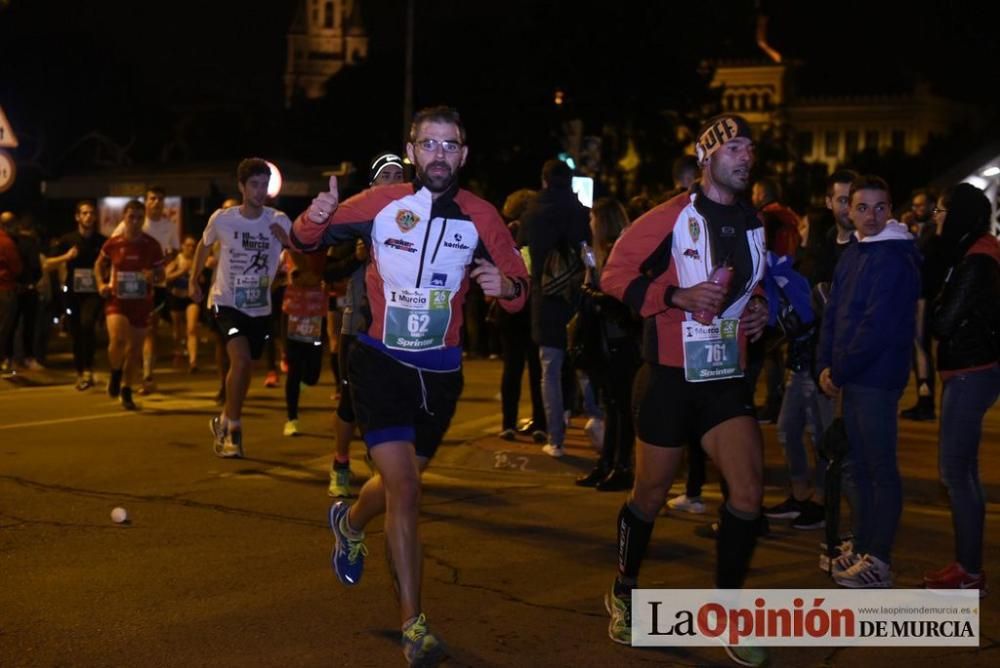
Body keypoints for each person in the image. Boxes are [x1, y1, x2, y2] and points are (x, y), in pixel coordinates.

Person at [291, 106, 528, 666]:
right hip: (379, 362)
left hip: (440, 372)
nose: (439, 154)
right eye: (429, 144)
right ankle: (414, 624)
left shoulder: (482, 217)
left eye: (450, 145)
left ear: (463, 155)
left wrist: (506, 285)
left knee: (401, 484)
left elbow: (518, 287)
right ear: (412, 150)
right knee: (408, 490)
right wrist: (315, 214)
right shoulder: (381, 203)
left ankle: (349, 522)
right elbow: (306, 241)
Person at [599, 114, 768, 667]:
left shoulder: (751, 220)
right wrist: (674, 296)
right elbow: (614, 275)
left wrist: (762, 311)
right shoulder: (669, 217)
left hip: (724, 376)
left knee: (746, 493)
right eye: (734, 148)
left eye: (749, 147)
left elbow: (751, 288)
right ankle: (625, 590)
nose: (745, 156)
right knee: (649, 495)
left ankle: (731, 612)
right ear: (707, 157)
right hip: (670, 376)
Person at [818, 175, 921, 588]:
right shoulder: (857, 252)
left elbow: (875, 327)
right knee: (858, 467)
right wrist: (825, 364)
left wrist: (837, 371)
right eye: (862, 207)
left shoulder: (894, 256)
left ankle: (879, 559)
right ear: (849, 210)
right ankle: (862, 547)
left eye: (881, 207)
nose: (872, 216)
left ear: (891, 209)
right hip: (851, 378)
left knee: (879, 470)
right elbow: (835, 313)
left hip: (875, 379)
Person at [923, 184, 1000, 596]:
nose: (937, 216)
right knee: (963, 471)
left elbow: (942, 322)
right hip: (970, 368)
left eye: (941, 210)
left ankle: (969, 570)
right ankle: (966, 565)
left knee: (955, 471)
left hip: (973, 370)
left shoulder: (976, 259)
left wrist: (936, 306)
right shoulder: (974, 250)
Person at [189, 159, 292, 458]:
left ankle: (223, 420)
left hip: (259, 306)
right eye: (254, 185)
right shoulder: (223, 219)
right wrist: (193, 280)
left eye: (264, 185)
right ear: (242, 187)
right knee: (242, 360)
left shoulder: (279, 220)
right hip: (226, 302)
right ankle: (233, 428)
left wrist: (287, 241)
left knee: (246, 369)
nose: (260, 191)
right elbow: (203, 245)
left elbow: (302, 251)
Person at [328, 152, 404, 497]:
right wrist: (355, 257)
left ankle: (381, 461)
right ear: (373, 184)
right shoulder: (354, 218)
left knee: (389, 399)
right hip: (356, 324)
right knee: (350, 400)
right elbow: (327, 271)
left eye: (398, 175)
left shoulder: (413, 220)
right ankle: (340, 463)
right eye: (385, 175)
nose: (393, 181)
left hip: (396, 326)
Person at [518, 159, 592, 457]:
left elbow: (522, 255)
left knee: (550, 368)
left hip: (545, 298)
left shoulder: (532, 213)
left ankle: (556, 439)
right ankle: (596, 421)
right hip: (577, 297)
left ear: (544, 180)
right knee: (585, 364)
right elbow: (589, 255)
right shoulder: (580, 212)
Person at [573, 197, 640, 491]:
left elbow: (618, 298)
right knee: (611, 405)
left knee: (620, 406)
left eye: (593, 220)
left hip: (620, 338)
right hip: (606, 337)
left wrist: (592, 292)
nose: (589, 225)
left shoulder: (618, 251)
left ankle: (622, 466)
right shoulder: (599, 252)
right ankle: (608, 463)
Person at [94, 200, 166, 410]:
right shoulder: (113, 243)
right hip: (117, 300)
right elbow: (98, 264)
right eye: (131, 217)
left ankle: (126, 389)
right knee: (117, 340)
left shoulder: (152, 245)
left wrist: (152, 275)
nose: (135, 221)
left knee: (134, 349)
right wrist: (100, 284)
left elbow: (161, 273)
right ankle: (115, 372)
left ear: (143, 219)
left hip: (142, 302)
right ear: (123, 218)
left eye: (139, 218)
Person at [114, 186, 179, 394]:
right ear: (146, 201)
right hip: (128, 286)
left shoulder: (169, 226)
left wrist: (161, 271)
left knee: (151, 330)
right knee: (127, 333)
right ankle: (123, 373)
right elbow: (113, 249)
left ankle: (148, 375)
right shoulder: (131, 223)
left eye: (160, 199)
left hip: (155, 286)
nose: (156, 202)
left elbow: (173, 253)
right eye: (152, 198)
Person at [496, 188, 547, 442]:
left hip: (509, 303)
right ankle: (540, 422)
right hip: (533, 303)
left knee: (512, 367)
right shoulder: (535, 231)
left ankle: (508, 423)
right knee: (537, 368)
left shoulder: (504, 232)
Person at [44, 200, 108, 389]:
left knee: (88, 324)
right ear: (77, 217)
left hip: (94, 291)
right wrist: (66, 257)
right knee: (77, 331)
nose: (88, 216)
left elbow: (112, 263)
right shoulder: (67, 240)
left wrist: (106, 278)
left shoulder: (102, 241)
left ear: (95, 217)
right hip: (73, 291)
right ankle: (81, 371)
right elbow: (47, 264)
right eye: (84, 213)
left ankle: (88, 368)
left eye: (91, 213)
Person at [164, 235, 200, 372]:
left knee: (192, 328)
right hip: (176, 297)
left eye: (193, 245)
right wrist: (182, 271)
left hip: (190, 298)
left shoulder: (197, 260)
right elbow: (166, 276)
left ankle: (193, 361)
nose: (190, 248)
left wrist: (196, 274)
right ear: (182, 246)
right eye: (188, 245)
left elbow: (201, 279)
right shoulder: (177, 260)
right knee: (177, 328)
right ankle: (178, 352)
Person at [0, 213, 22, 375]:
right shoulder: (7, 242)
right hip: (5, 289)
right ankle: (3, 360)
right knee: (5, 328)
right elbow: (17, 267)